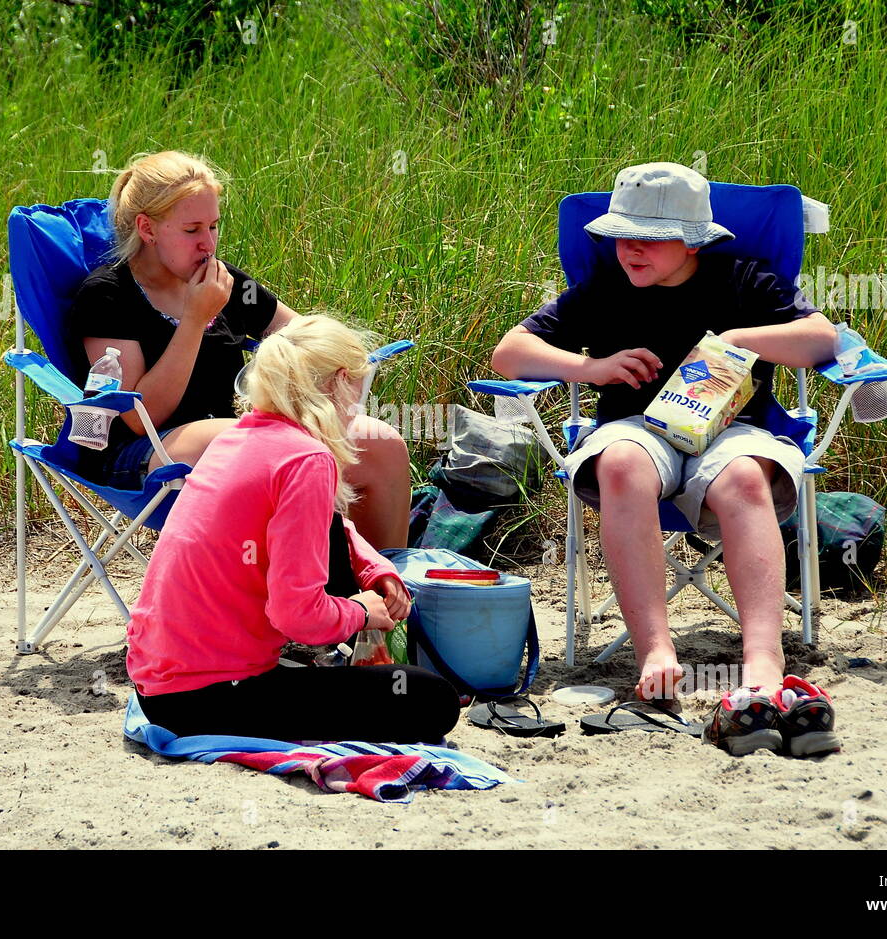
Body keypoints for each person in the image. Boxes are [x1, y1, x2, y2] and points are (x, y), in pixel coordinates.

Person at [491, 162, 841, 755]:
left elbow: (821, 341)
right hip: (634, 430)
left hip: (733, 431)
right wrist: (590, 368)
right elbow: (509, 354)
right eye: (620, 234)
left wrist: (738, 341)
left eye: (647, 236)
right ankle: (655, 648)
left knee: (743, 480)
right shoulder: (606, 286)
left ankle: (763, 656)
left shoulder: (742, 280)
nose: (629, 248)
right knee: (622, 465)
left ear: (693, 239)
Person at [125, 314, 461, 743]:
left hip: (160, 685)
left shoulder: (234, 439)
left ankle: (302, 669)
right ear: (342, 381)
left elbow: (326, 527)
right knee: (429, 697)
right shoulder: (307, 460)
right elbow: (295, 616)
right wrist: (362, 612)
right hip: (211, 698)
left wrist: (376, 567)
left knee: (393, 675)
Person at [67, 150, 409, 548]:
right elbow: (140, 416)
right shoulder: (108, 297)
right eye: (192, 230)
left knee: (380, 444)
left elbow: (299, 335)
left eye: (214, 226)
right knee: (280, 446)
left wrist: (340, 363)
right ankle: (306, 590)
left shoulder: (224, 282)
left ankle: (380, 595)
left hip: (237, 434)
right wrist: (195, 320)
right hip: (144, 454)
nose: (208, 243)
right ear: (147, 228)